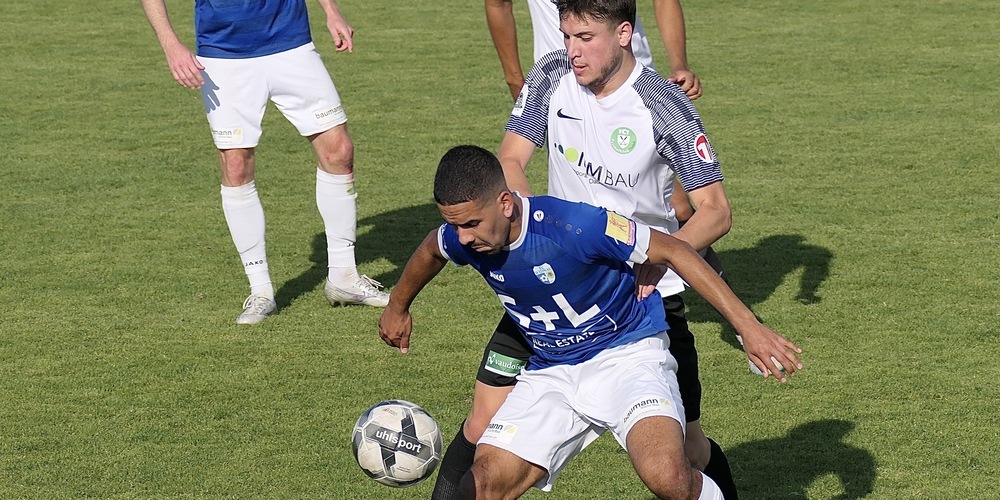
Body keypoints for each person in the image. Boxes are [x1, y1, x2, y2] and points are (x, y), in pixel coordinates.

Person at [433, 0, 751, 497]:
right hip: (554, 291)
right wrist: (535, 238)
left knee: (689, 455)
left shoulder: (663, 104)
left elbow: (715, 211)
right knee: (482, 423)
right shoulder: (551, 74)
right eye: (566, 36)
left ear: (624, 33)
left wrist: (660, 258)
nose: (572, 51)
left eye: (585, 38)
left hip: (640, 299)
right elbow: (511, 159)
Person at [379, 145, 802, 498]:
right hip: (551, 372)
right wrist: (398, 305)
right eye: (455, 226)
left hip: (628, 356)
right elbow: (432, 250)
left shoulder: (574, 225)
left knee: (668, 476)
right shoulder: (464, 236)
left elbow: (674, 250)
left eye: (471, 224)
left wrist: (748, 326)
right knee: (481, 486)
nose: (464, 237)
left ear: (505, 203)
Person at [140, 0, 388, 325]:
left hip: (292, 44)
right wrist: (170, 44)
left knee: (339, 151)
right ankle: (260, 292)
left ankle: (344, 276)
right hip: (223, 55)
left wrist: (331, 11)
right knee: (236, 166)